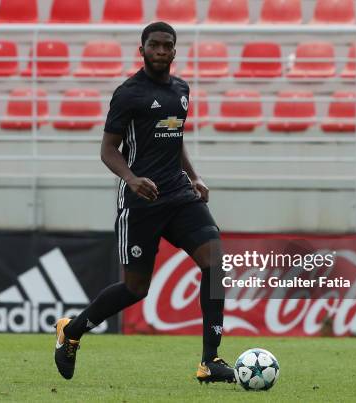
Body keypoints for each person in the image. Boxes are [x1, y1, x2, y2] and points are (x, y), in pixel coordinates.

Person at [54, 21, 234, 384]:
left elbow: (173, 137)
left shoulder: (182, 89)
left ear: (175, 50)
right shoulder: (128, 94)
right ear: (142, 50)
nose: (162, 51)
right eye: (155, 45)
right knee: (136, 289)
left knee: (215, 265)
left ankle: (210, 362)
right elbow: (108, 150)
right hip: (142, 201)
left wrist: (195, 176)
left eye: (168, 46)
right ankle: (71, 330)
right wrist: (133, 180)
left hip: (180, 196)